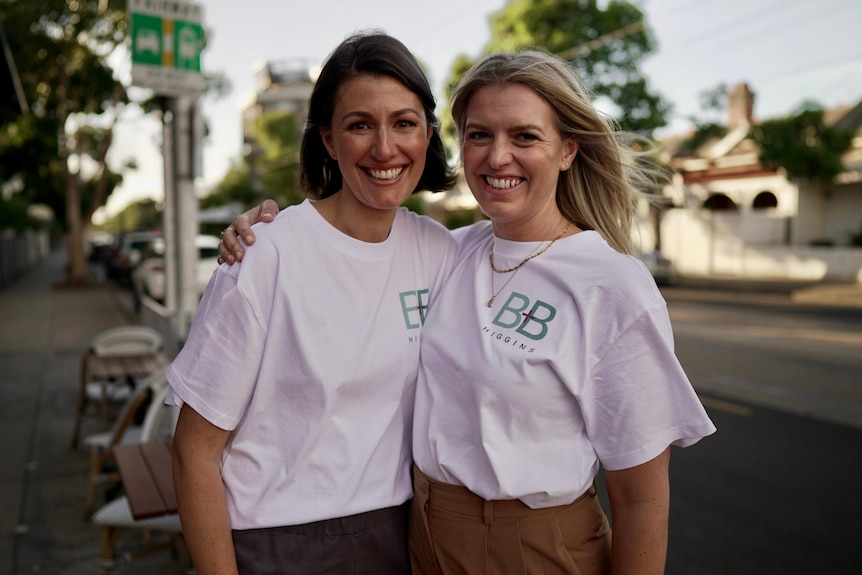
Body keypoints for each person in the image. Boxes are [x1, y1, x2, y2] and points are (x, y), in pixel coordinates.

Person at [220, 49, 716, 575]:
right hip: (419, 535)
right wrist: (261, 230)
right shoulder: (448, 251)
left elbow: (641, 499)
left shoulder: (611, 285)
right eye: (480, 135)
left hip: (530, 547)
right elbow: (350, 247)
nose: (497, 157)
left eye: (524, 136)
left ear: (568, 149)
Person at [167, 30, 458, 575]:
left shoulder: (442, 252)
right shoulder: (264, 254)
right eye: (359, 125)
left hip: (404, 535)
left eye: (404, 122)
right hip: (277, 545)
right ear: (328, 138)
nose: (385, 147)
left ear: (427, 133)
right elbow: (193, 453)